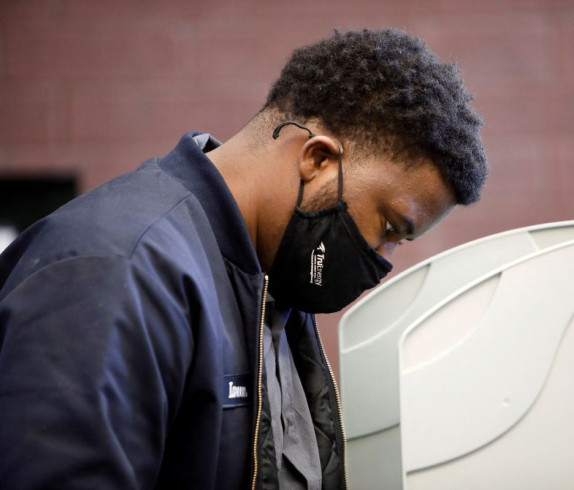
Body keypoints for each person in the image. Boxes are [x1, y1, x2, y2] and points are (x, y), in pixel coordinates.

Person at [0, 28, 487, 489]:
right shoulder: (117, 269)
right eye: (389, 228)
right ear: (317, 160)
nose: (383, 263)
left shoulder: (270, 284)